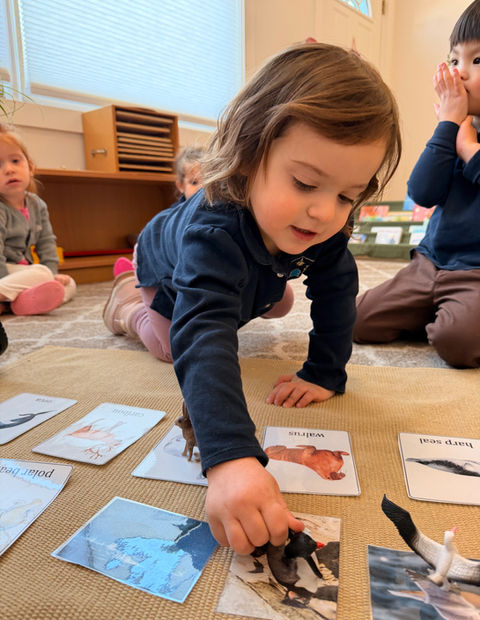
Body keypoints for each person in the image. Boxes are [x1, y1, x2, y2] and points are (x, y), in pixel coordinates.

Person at [103, 42, 401, 553]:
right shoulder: (213, 229)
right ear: (247, 155)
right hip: (163, 263)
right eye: (304, 183)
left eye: (347, 196)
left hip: (246, 262)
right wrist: (231, 458)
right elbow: (204, 330)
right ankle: (127, 303)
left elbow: (338, 291)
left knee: (275, 300)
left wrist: (324, 372)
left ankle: (255, 280)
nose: (325, 213)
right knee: (173, 343)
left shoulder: (326, 224)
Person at [354, 0, 480, 369]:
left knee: (456, 342)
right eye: (453, 60)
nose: (459, 72)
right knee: (357, 320)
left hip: (475, 274)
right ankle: (442, 310)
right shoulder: (455, 129)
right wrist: (447, 128)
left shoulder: (466, 140)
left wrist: (469, 150)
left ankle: (452, 315)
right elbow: (422, 193)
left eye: (477, 59)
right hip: (430, 262)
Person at [0, 123, 76, 315]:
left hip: (23, 273)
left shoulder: (37, 204)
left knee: (69, 284)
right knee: (41, 273)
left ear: (30, 167)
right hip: (4, 272)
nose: (9, 169)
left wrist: (53, 274)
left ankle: (16, 303)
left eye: (15, 161)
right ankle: (7, 295)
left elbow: (46, 242)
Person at [113, 145, 206, 278]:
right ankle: (133, 272)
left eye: (208, 181)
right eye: (194, 182)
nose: (202, 188)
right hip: (160, 266)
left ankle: (131, 272)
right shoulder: (174, 215)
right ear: (181, 186)